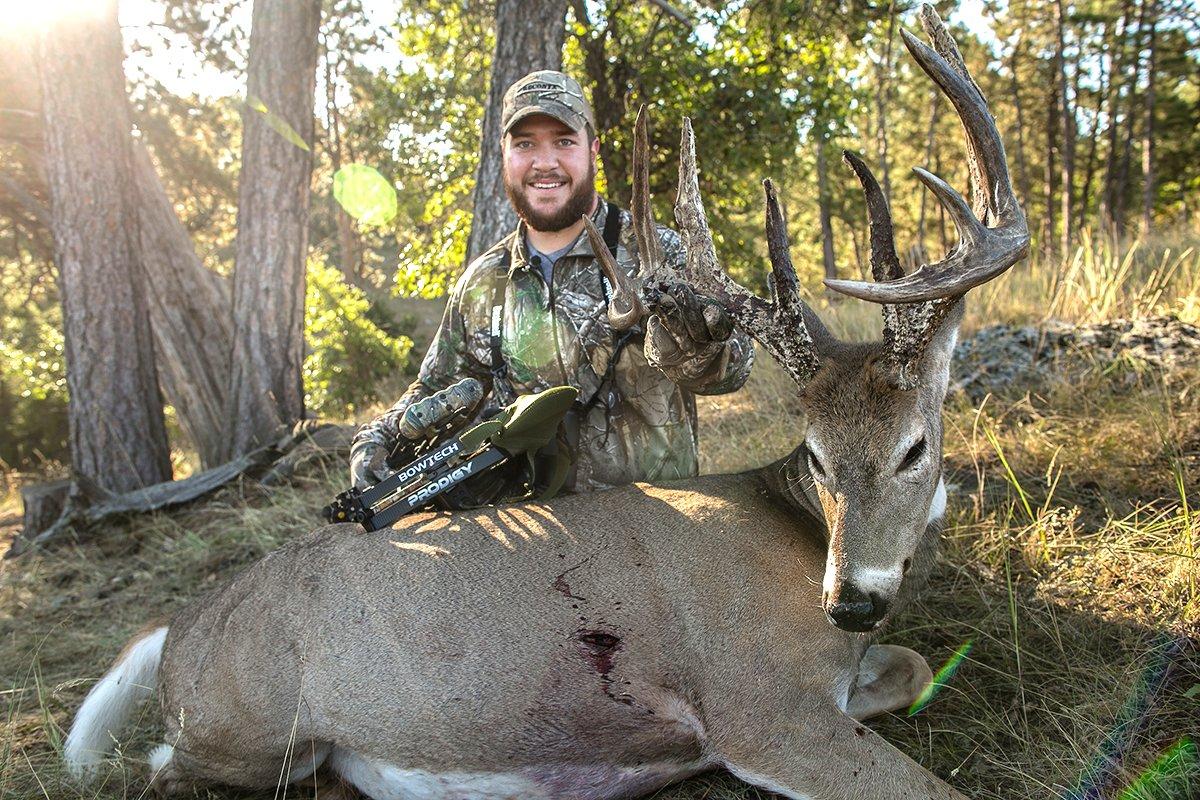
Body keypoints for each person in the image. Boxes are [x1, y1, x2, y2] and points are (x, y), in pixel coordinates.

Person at [350, 70, 753, 495]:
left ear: (592, 149)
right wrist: (378, 436)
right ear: (503, 154)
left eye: (563, 141)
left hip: (658, 532)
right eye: (525, 144)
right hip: (535, 544)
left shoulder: (657, 251)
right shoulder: (483, 281)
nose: (545, 163)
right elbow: (435, 386)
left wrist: (698, 349)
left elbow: (734, 368)